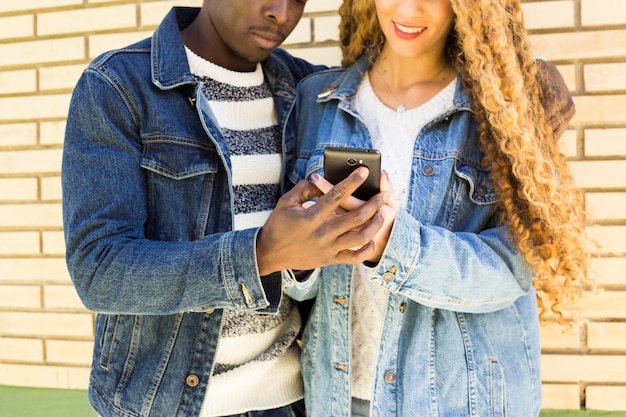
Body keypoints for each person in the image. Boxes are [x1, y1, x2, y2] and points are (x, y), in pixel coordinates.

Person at [61, 1, 390, 416]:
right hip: (161, 403)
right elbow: (100, 270)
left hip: (290, 399)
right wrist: (261, 254)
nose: (282, 13)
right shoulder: (119, 86)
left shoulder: (310, 89)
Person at [284, 0, 589, 416]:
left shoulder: (506, 103)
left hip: (460, 400)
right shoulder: (318, 100)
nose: (409, 10)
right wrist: (300, 255)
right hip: (341, 395)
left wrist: (393, 245)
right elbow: (301, 286)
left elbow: (514, 267)